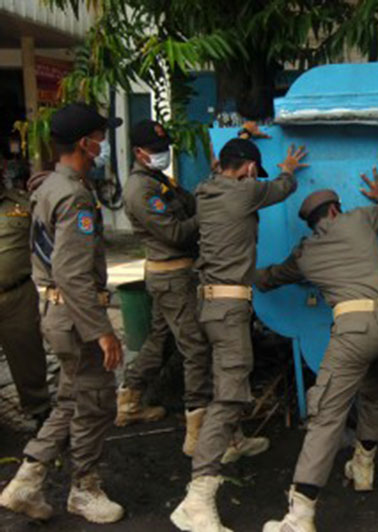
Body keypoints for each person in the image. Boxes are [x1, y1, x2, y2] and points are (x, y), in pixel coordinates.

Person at [259, 167, 378, 532]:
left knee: (327, 415)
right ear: (334, 210)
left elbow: (270, 279)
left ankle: (299, 517)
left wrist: (239, 273)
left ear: (313, 222)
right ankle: (363, 469)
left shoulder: (305, 253)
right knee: (375, 395)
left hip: (355, 331)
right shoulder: (360, 219)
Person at [170, 138, 307, 532]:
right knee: (230, 394)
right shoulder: (245, 190)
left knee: (222, 380)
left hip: (211, 305)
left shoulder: (207, 191)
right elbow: (283, 188)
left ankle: (232, 442)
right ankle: (197, 498)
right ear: (247, 168)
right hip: (228, 307)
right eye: (252, 170)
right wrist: (287, 168)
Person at [0, 103, 125, 524]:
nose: (104, 145)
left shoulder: (49, 186)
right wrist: (101, 331)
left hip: (57, 312)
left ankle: (26, 481)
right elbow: (72, 273)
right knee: (96, 403)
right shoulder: (74, 197)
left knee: (71, 400)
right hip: (74, 317)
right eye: (101, 138)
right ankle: (84, 489)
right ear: (85, 144)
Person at [117, 120, 210, 456]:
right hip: (172, 278)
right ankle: (197, 429)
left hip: (170, 276)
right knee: (196, 347)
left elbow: (189, 202)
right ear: (140, 152)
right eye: (155, 151)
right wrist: (212, 212)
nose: (162, 154)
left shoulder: (157, 180)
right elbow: (174, 233)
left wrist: (212, 187)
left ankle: (129, 401)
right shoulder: (141, 190)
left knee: (161, 341)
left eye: (164, 149)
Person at [0, 179, 51, 426]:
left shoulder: (22, 202)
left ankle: (40, 409)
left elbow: (48, 233)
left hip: (17, 294)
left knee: (28, 353)